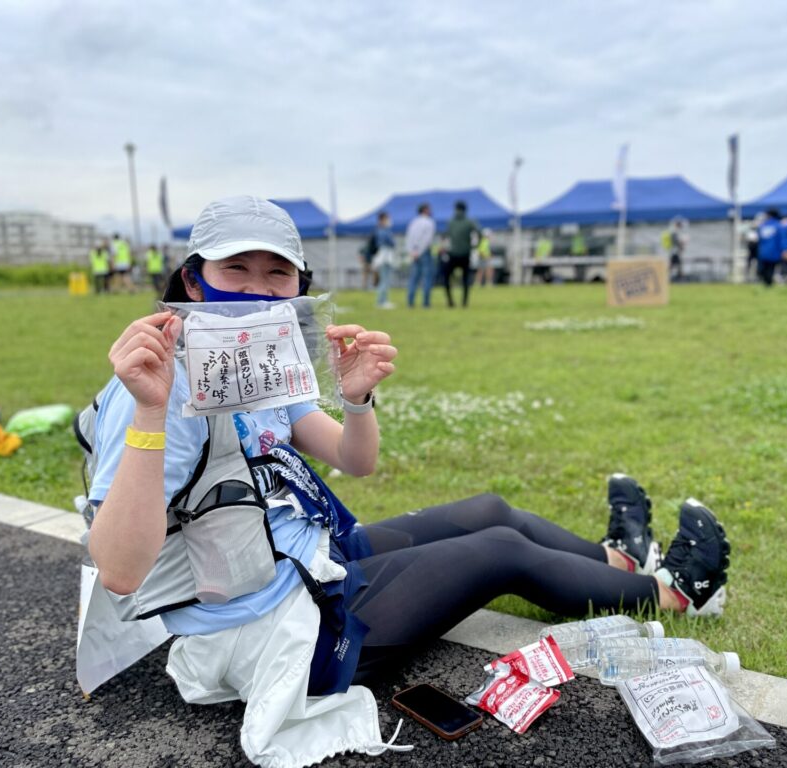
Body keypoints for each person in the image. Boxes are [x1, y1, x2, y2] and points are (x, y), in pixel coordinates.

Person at [85, 195, 731, 768]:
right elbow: (118, 569)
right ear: (194, 283)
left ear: (298, 288)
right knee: (499, 551)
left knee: (491, 511)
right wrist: (147, 411)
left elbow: (352, 458)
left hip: (312, 559)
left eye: (276, 272)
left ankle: (618, 558)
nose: (258, 289)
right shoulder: (157, 387)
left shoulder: (255, 365)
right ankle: (674, 594)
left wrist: (357, 399)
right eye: (236, 270)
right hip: (268, 631)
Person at [443, 200, 480, 307]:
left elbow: (446, 236)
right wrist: (474, 246)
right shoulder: (470, 221)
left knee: (446, 277)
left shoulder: (450, 222)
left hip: (452, 254)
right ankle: (464, 302)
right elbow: (480, 233)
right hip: (465, 254)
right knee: (465, 279)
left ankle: (450, 301)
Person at [404, 203, 436, 308]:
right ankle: (426, 303)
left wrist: (412, 252)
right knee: (426, 278)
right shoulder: (429, 222)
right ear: (425, 210)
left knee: (414, 278)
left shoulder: (413, 222)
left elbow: (409, 238)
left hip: (414, 252)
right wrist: (420, 251)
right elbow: (427, 240)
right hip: (424, 252)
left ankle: (410, 302)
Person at [371, 212, 396, 309]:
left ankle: (383, 300)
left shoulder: (381, 230)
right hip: (384, 255)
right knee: (384, 280)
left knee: (385, 279)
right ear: (382, 220)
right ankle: (382, 301)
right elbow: (390, 241)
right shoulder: (382, 230)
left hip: (385, 255)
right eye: (387, 219)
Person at [756, 209, 783, 286]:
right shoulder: (778, 226)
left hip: (763, 251)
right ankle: (769, 283)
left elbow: (758, 238)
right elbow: (781, 239)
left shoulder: (762, 226)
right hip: (774, 251)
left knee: (764, 268)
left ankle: (766, 283)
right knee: (771, 268)